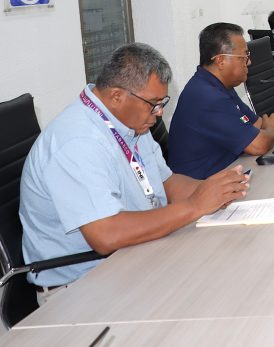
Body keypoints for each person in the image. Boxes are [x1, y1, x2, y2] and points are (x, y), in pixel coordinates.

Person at [19, 43, 249, 300]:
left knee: (231, 270)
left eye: (162, 102)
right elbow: (106, 235)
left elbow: (168, 183)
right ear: (117, 96)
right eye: (153, 103)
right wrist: (196, 206)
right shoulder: (76, 141)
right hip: (83, 285)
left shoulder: (131, 122)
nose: (159, 113)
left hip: (138, 255)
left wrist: (217, 191)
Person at [168, 23, 274, 179]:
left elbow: (256, 125)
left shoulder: (217, 84)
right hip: (203, 189)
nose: (249, 61)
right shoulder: (206, 97)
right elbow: (258, 145)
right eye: (244, 56)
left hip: (230, 172)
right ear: (220, 61)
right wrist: (271, 128)